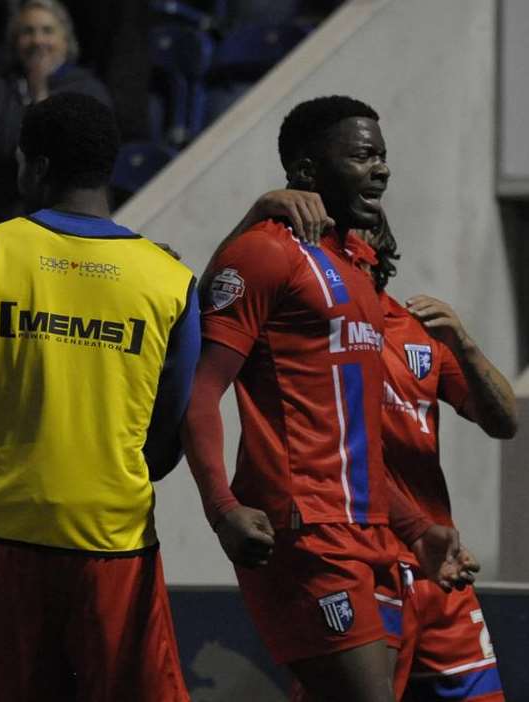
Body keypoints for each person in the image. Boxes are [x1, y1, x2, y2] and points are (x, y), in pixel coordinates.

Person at [0, 92, 198, 702]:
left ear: (33, 165)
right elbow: (174, 425)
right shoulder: (169, 278)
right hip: (114, 540)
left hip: (4, 536)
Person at [184, 95, 468, 702]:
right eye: (363, 155)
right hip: (305, 530)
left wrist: (416, 526)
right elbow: (199, 387)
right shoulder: (264, 251)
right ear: (308, 171)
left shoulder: (353, 271)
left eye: (383, 156)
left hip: (371, 531)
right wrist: (220, 507)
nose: (382, 169)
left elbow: (350, 434)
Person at [353, 214, 511, 700]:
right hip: (363, 566)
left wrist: (461, 343)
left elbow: (504, 421)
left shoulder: (418, 333)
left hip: (440, 568)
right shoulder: (311, 333)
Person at [0, 0, 111, 225]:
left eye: (48, 31)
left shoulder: (87, 89)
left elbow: (66, 157)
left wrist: (40, 93)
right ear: (15, 41)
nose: (38, 40)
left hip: (65, 217)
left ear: (66, 39)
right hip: (1, 214)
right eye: (28, 32)